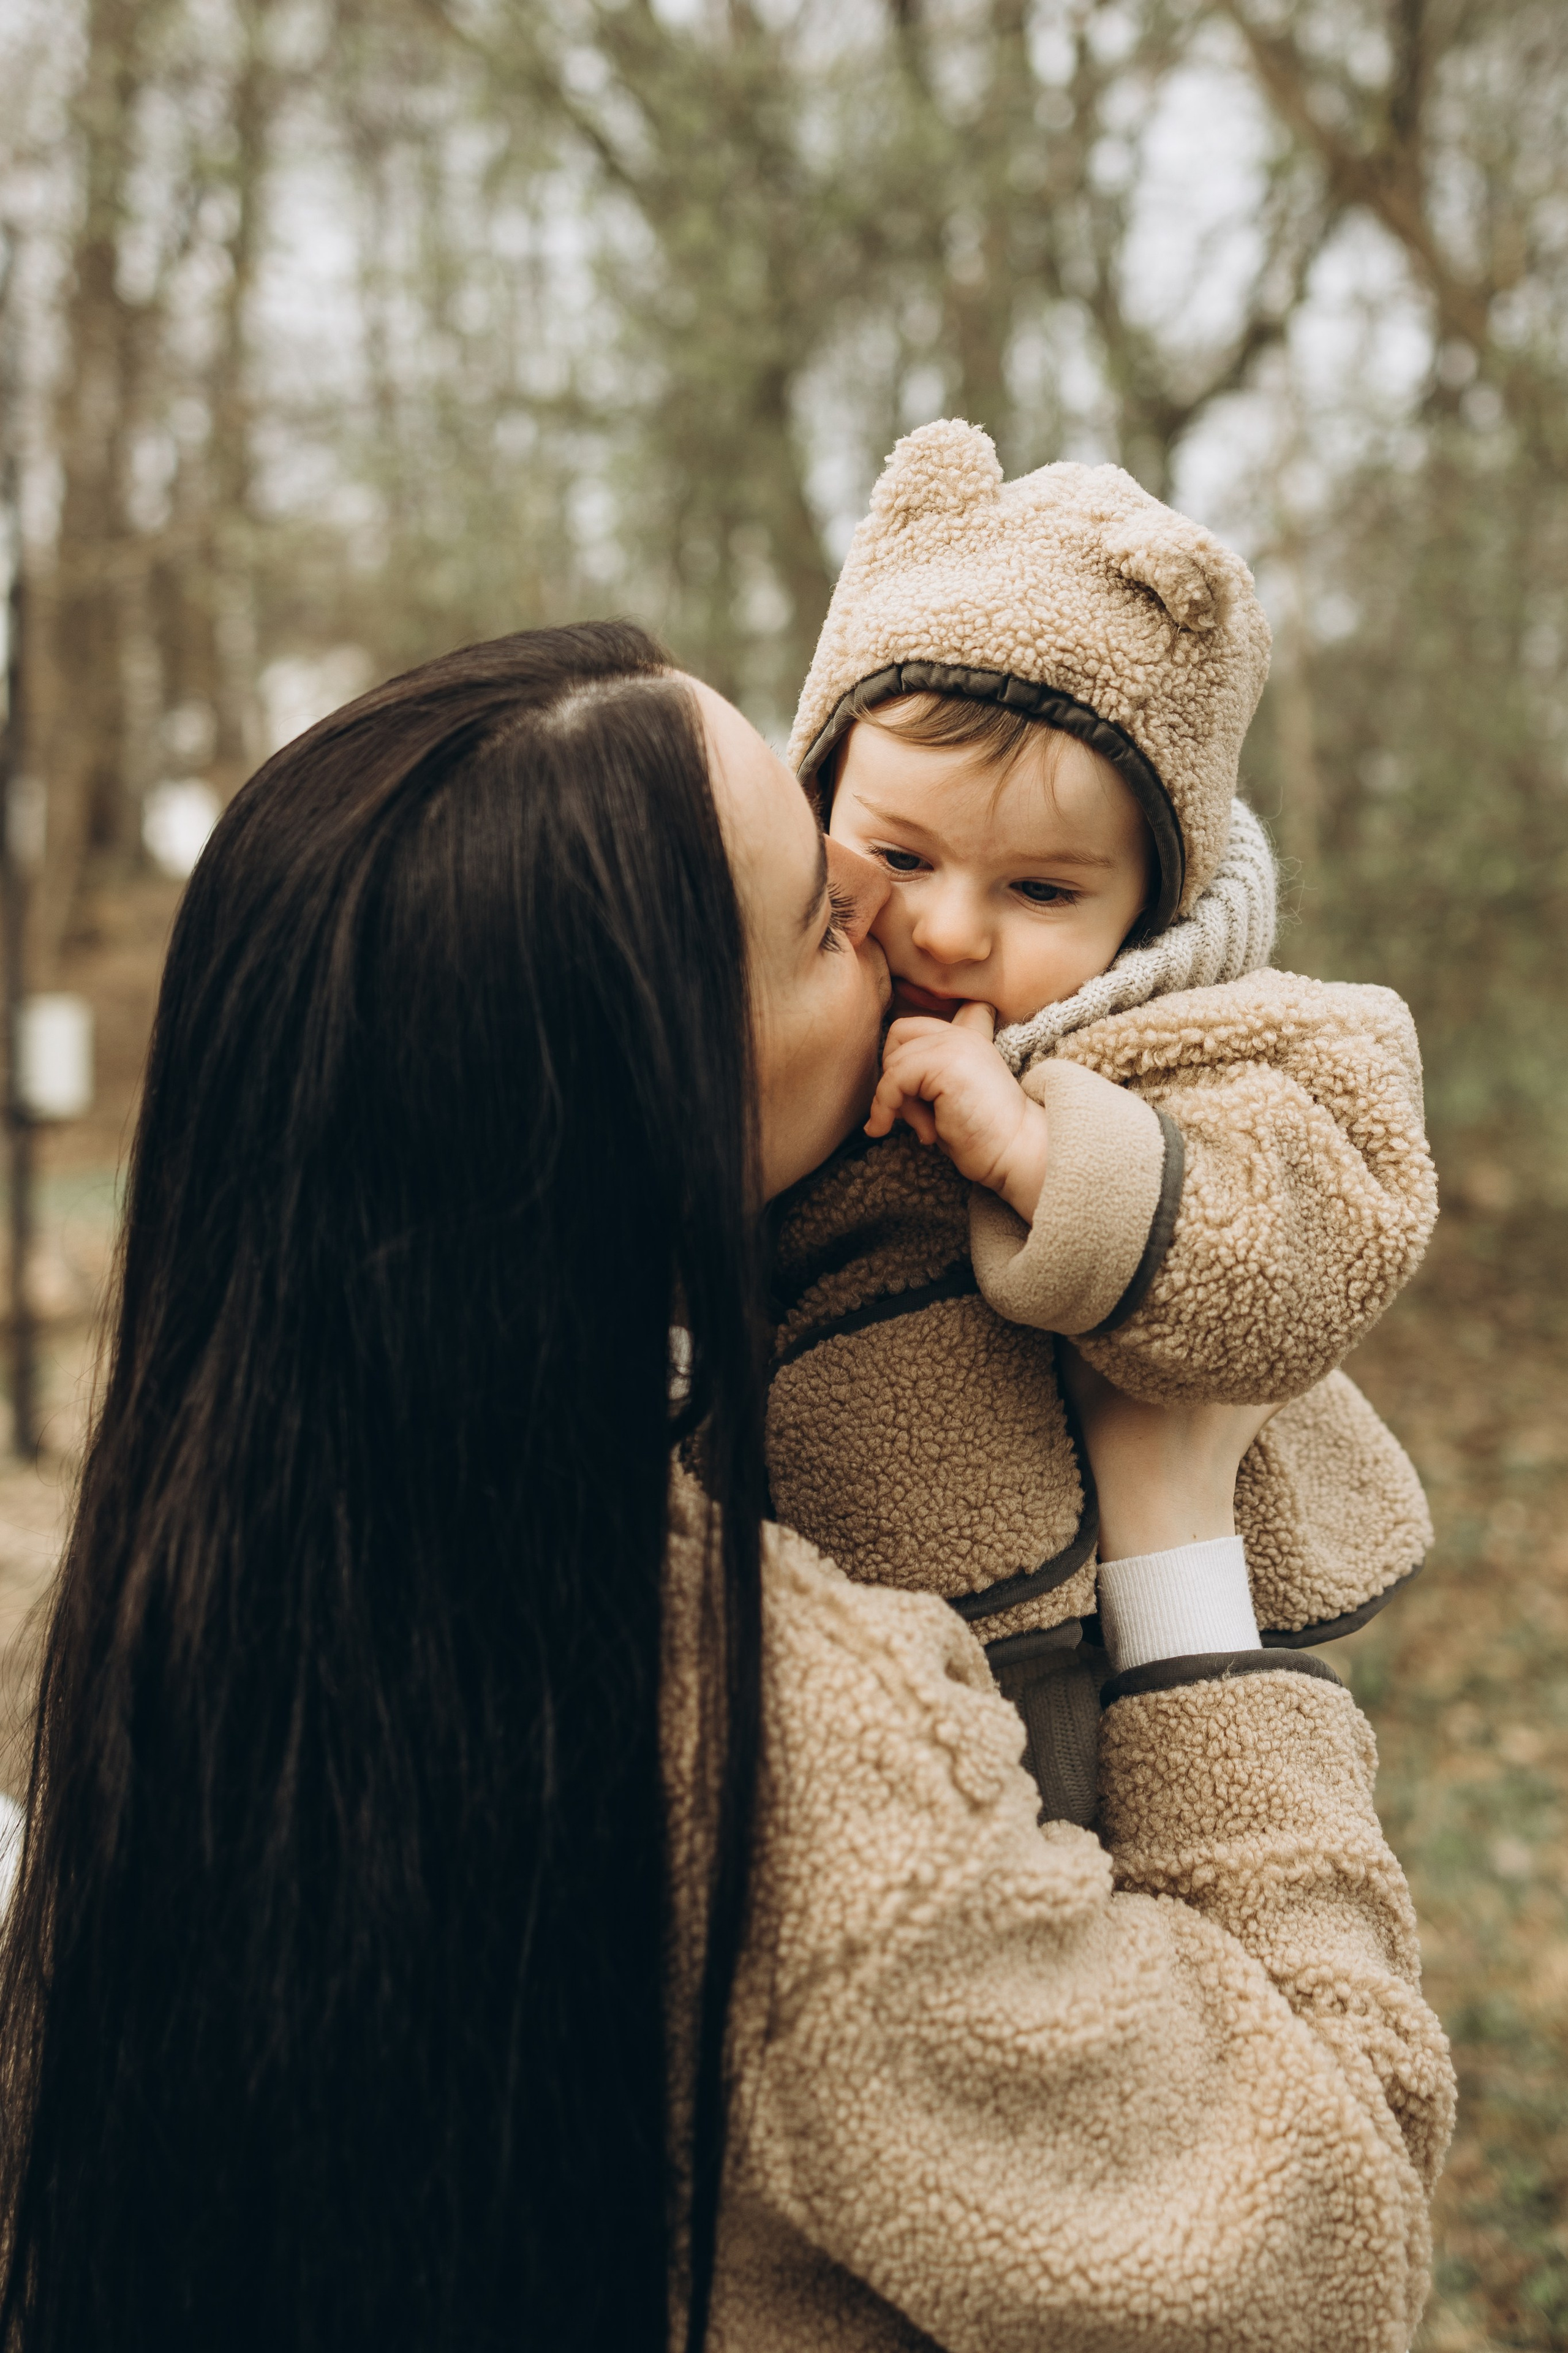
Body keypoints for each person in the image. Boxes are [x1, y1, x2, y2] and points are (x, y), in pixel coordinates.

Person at [0, 622, 1452, 2353]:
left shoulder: (126, 1630)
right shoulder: (790, 1765)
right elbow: (1320, 2255)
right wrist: (1179, 1552)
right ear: (659, 1101)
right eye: (826, 918)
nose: (897, 911)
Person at [767, 418, 1438, 1817]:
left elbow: (1309, 1246)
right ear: (817, 798)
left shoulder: (1209, 1035)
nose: (950, 930)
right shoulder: (778, 1012)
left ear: (1148, 901)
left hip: (1094, 1651)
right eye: (899, 855)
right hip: (827, 1661)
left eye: (1041, 891)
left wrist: (1043, 1155)